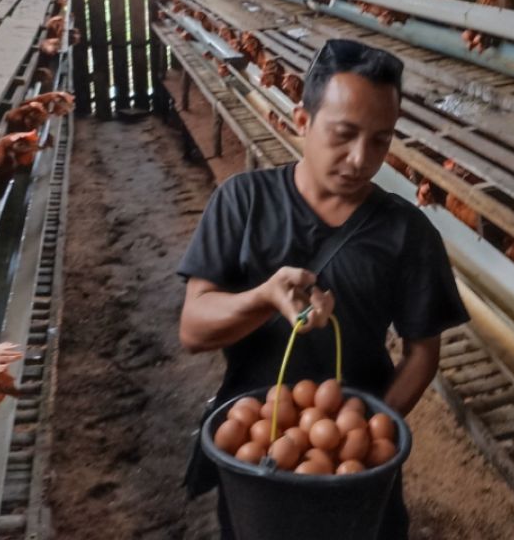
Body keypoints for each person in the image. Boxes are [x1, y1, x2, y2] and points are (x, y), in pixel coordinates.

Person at [178, 38, 469, 539]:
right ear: (302, 122)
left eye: (380, 140)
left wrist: (367, 434)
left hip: (355, 473)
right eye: (344, 134)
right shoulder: (243, 202)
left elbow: (422, 353)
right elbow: (193, 329)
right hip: (255, 451)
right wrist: (264, 297)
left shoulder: (408, 233)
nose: (360, 158)